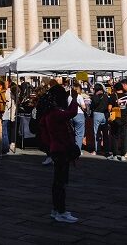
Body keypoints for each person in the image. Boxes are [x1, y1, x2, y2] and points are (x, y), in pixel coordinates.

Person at [40, 84, 80, 223]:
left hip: (57, 149)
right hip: (61, 150)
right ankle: (60, 211)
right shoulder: (55, 113)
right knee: (60, 183)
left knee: (59, 182)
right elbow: (72, 112)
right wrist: (74, 99)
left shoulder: (51, 112)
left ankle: (57, 209)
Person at [90, 83, 109, 155]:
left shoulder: (95, 96)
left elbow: (92, 106)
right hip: (105, 115)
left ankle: (97, 149)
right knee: (105, 133)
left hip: (97, 114)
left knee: (96, 133)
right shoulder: (106, 96)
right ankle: (106, 150)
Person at [2, 79, 18, 154]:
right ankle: (11, 143)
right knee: (10, 128)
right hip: (12, 113)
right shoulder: (12, 92)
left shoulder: (8, 92)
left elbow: (8, 103)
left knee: (6, 129)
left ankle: (6, 145)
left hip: (8, 112)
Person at [69, 85, 86, 153]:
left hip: (70, 115)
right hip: (79, 115)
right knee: (79, 134)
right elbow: (84, 107)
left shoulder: (69, 97)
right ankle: (77, 150)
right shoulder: (79, 96)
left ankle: (72, 148)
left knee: (72, 133)